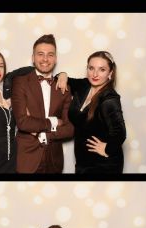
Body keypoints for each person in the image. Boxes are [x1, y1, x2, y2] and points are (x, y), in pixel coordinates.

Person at [11, 34, 74, 174]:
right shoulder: (20, 82)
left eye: (50, 55)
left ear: (55, 59)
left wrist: (46, 135)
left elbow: (70, 128)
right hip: (27, 159)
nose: (45, 59)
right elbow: (23, 122)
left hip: (54, 161)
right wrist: (54, 121)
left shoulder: (64, 87)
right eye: (40, 54)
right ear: (33, 58)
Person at [65, 51, 126, 175]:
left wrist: (107, 149)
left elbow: (120, 133)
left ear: (110, 73)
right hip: (83, 161)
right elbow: (65, 80)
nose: (95, 74)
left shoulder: (109, 99)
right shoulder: (84, 85)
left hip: (104, 164)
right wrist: (62, 74)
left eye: (102, 69)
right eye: (91, 68)